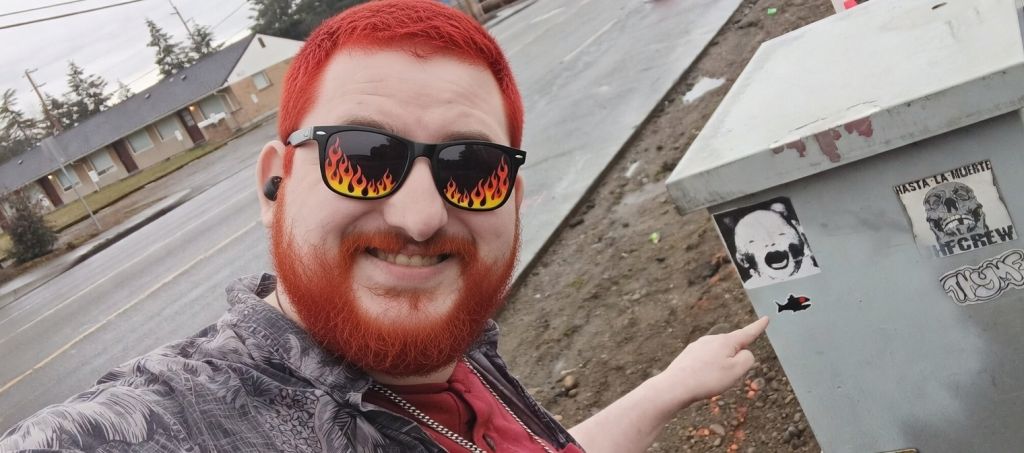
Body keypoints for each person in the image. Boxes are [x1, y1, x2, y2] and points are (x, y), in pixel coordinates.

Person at [0, 1, 769, 451]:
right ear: (274, 183)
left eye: (472, 168)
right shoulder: (178, 419)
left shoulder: (456, 349)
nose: (422, 215)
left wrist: (669, 386)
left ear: (513, 197)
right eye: (363, 157)